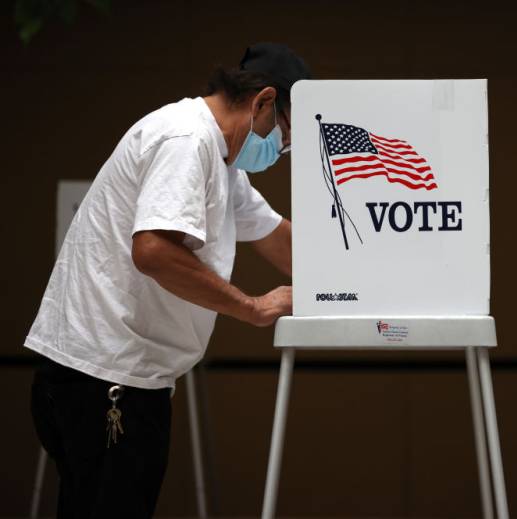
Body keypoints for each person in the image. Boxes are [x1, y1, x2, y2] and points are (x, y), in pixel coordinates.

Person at [26, 42, 310, 519]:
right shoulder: (187, 140)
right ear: (262, 102)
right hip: (106, 381)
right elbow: (154, 251)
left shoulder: (224, 162)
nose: (279, 151)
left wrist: (363, 280)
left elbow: (279, 241)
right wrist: (251, 307)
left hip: (113, 377)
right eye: (283, 136)